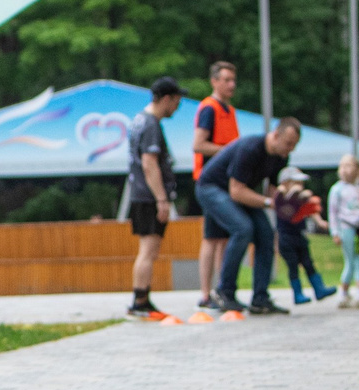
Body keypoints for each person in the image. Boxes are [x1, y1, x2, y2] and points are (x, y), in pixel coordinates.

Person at [194, 116, 303, 316]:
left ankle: (260, 298)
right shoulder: (251, 148)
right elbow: (236, 191)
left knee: (266, 234)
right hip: (212, 188)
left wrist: (286, 206)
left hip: (240, 191)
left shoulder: (281, 156)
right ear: (276, 135)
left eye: (294, 145)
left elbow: (272, 191)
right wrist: (269, 203)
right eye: (288, 143)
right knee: (242, 228)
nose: (290, 149)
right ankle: (224, 292)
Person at [124, 76, 184, 320]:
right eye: (176, 102)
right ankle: (140, 301)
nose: (177, 108)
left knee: (146, 249)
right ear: (166, 99)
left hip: (140, 193)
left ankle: (142, 298)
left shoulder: (139, 120)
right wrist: (161, 199)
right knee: (148, 250)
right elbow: (150, 164)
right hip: (149, 196)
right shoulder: (151, 125)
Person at [190, 61, 240, 313]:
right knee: (211, 237)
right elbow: (198, 144)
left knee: (223, 238)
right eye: (226, 80)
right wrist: (228, 151)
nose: (231, 84)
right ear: (214, 81)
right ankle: (205, 293)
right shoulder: (209, 108)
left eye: (233, 80)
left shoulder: (229, 110)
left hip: (225, 181)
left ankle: (222, 290)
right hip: (210, 180)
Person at [271, 166, 334, 306]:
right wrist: (291, 192)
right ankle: (297, 294)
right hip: (286, 238)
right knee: (293, 266)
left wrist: (320, 222)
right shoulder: (280, 197)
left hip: (299, 235)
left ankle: (319, 289)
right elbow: (280, 203)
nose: (300, 185)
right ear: (285, 183)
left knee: (308, 262)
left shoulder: (301, 198)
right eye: (296, 182)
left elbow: (311, 209)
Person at [328, 151, 359, 308]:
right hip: (346, 228)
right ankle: (344, 293)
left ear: (356, 169)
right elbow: (333, 213)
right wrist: (335, 232)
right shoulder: (337, 190)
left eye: (348, 166)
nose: (344, 169)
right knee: (350, 262)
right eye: (342, 166)